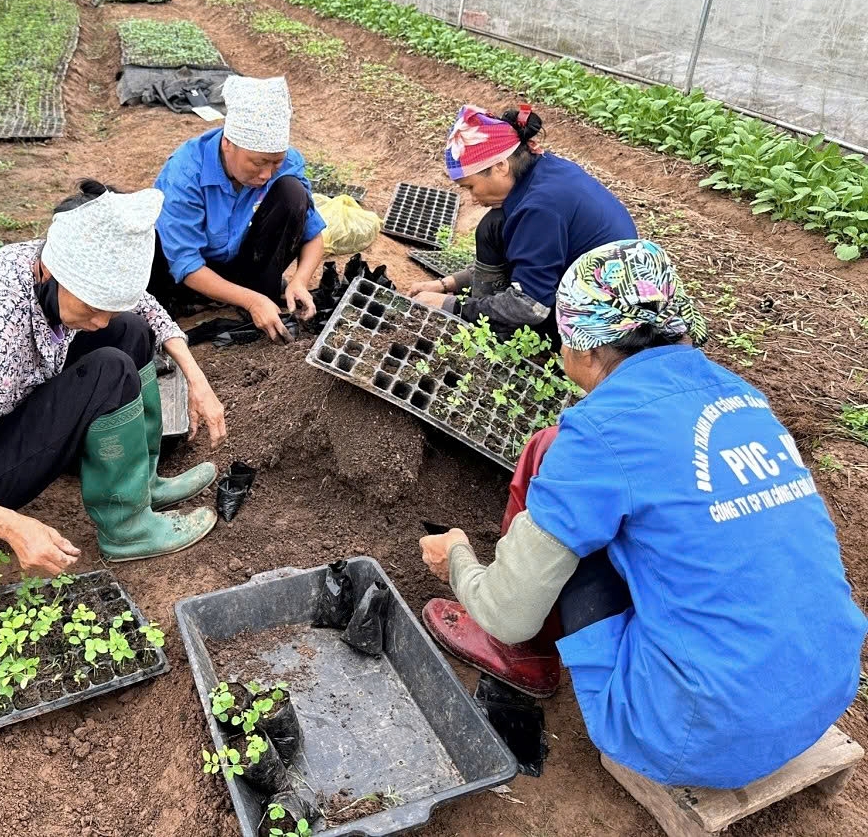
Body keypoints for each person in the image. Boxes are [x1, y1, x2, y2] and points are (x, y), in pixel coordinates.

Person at [418, 239, 866, 789]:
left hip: (696, 734)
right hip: (825, 686)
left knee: (553, 473)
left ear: (582, 349)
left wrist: (459, 553)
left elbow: (507, 610)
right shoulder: (744, 399)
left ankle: (525, 660)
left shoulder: (599, 432)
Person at [0, 180, 228, 575]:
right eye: (92, 306)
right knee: (110, 370)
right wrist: (14, 527)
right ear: (54, 273)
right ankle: (128, 530)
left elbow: (138, 306)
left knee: (130, 330)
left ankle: (143, 484)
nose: (99, 320)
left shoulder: (44, 262)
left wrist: (196, 377)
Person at [409, 105, 637, 342]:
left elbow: (532, 306)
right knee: (494, 226)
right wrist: (446, 284)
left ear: (501, 166)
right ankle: (483, 313)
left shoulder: (539, 207)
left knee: (495, 229)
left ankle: (492, 335)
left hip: (604, 323)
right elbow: (527, 257)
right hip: (595, 285)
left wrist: (452, 306)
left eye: (470, 186)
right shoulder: (543, 170)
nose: (473, 199)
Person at [150, 75, 327, 343]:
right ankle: (210, 301)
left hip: (241, 265)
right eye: (258, 162)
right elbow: (185, 261)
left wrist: (300, 280)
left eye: (276, 162)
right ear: (227, 143)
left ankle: (258, 295)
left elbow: (312, 234)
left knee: (293, 192)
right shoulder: (186, 171)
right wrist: (251, 301)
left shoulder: (286, 163)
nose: (266, 173)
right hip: (186, 276)